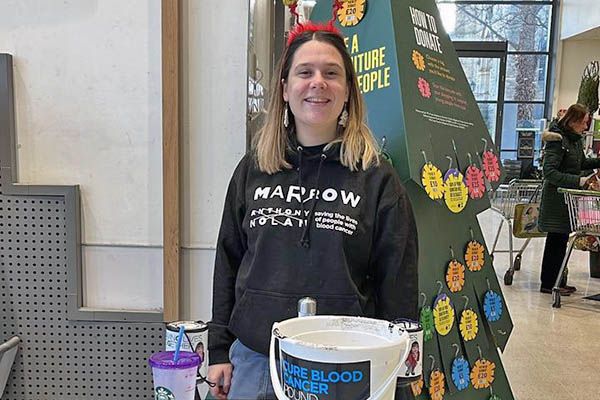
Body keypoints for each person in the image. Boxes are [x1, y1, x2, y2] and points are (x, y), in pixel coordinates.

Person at [206, 17, 418, 400]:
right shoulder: (255, 167)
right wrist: (218, 349)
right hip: (255, 360)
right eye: (305, 72)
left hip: (347, 368)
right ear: (285, 89)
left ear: (349, 90)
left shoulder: (377, 178)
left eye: (332, 73)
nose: (318, 82)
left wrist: (401, 372)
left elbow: (398, 282)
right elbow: (228, 260)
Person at [538, 103, 599, 295]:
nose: (585, 126)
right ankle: (548, 284)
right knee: (555, 242)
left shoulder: (574, 140)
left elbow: (581, 163)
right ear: (573, 121)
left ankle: (558, 281)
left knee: (561, 241)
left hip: (567, 200)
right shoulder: (557, 140)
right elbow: (549, 172)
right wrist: (579, 181)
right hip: (556, 200)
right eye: (583, 122)